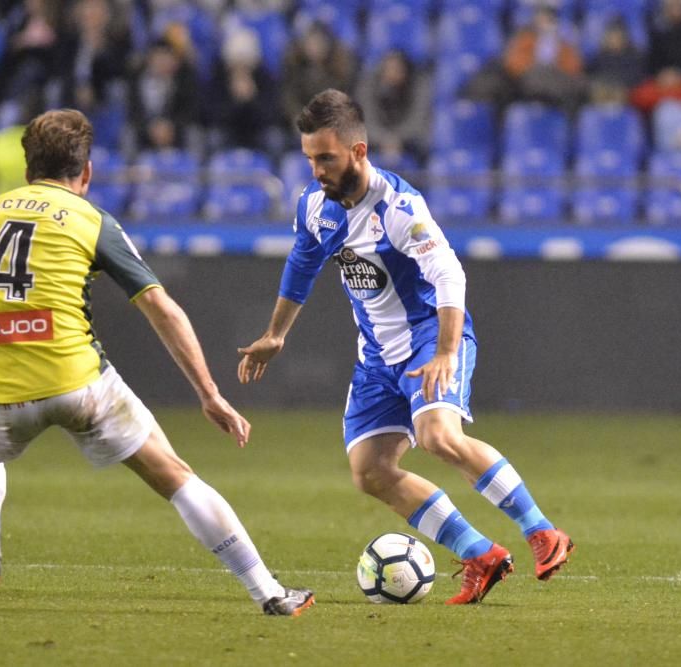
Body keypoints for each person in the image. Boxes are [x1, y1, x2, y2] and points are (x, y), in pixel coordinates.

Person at [0, 108, 313, 617]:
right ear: (85, 174)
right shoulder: (93, 221)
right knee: (174, 476)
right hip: (77, 380)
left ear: (27, 172)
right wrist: (209, 393)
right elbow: (160, 306)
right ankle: (267, 591)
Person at [237, 90, 574, 605]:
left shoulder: (398, 208)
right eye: (309, 158)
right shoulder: (314, 206)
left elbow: (449, 274)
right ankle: (481, 555)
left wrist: (444, 352)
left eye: (325, 157)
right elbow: (301, 266)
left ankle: (543, 532)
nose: (316, 169)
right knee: (370, 472)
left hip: (428, 338)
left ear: (359, 152)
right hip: (376, 354)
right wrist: (276, 333)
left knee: (438, 436)